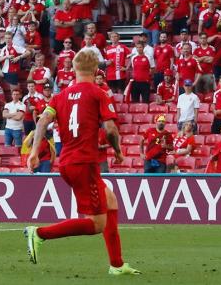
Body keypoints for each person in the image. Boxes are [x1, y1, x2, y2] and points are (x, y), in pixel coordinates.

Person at [24, 49, 140, 276]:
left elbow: (41, 122)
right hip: (84, 163)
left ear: (74, 70)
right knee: (97, 224)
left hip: (68, 161)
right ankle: (38, 233)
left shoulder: (59, 96)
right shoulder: (99, 93)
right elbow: (110, 129)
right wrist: (117, 150)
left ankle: (117, 265)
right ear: (97, 71)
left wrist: (34, 152)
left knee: (110, 200)